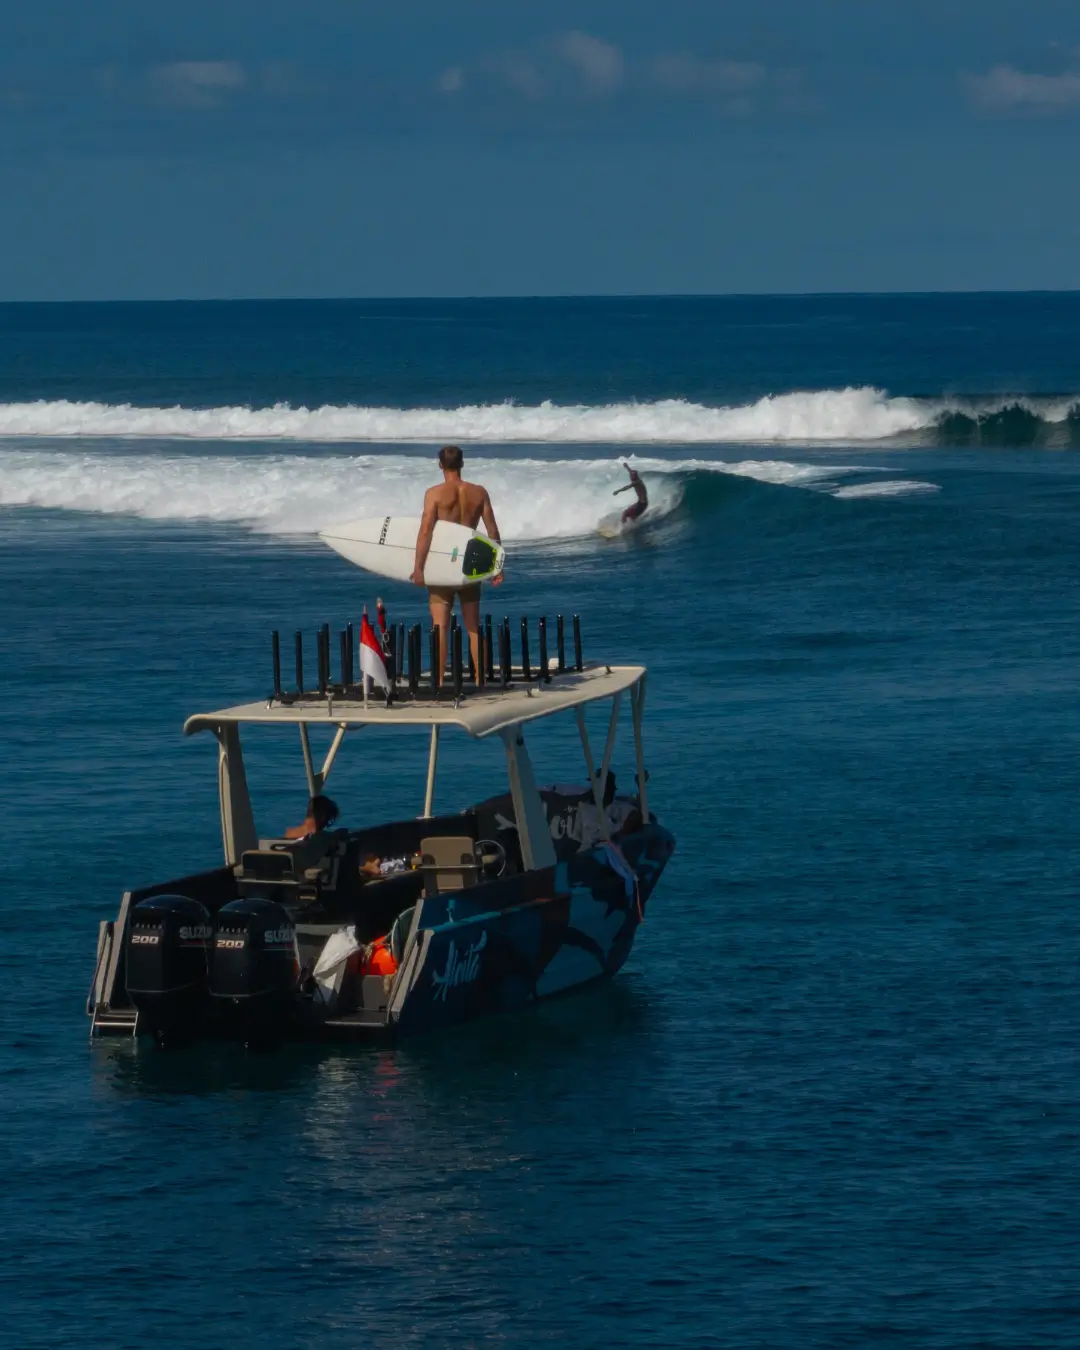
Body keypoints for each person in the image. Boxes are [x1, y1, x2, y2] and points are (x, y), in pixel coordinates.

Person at [411, 445, 502, 682]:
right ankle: (481, 680)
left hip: (443, 567)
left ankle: (440, 682)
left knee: (440, 626)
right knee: (473, 626)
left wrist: (418, 568)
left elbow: (425, 532)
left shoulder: (434, 494)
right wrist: (496, 567)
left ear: (440, 465)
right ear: (462, 463)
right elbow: (492, 531)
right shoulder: (479, 492)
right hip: (469, 566)